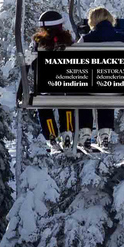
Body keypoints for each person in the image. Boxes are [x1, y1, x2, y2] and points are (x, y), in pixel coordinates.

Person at [77, 7, 124, 149]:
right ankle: (104, 133)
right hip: (115, 88)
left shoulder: (86, 39)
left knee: (84, 86)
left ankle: (85, 132)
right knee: (109, 82)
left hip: (92, 87)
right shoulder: (122, 38)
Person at [29, 10, 77, 150]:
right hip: (65, 84)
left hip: (45, 85)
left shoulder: (38, 43)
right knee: (66, 104)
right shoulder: (69, 42)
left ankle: (51, 135)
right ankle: (67, 130)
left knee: (44, 108)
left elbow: (29, 62)